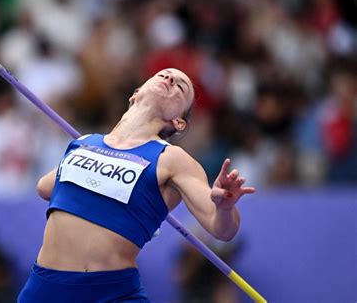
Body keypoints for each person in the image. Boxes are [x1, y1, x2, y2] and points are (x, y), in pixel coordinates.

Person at [17, 68, 256, 302]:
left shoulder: (172, 159)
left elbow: (223, 230)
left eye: (180, 87)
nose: (170, 78)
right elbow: (45, 188)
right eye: (163, 74)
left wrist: (224, 206)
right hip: (45, 289)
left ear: (179, 122)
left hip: (110, 293)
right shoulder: (85, 142)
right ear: (135, 94)